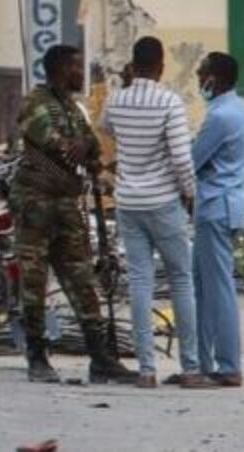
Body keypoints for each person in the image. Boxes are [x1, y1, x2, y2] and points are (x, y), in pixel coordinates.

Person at [12, 44, 137, 385]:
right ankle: (37, 356)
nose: (79, 72)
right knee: (34, 281)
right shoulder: (35, 102)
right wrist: (76, 148)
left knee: (82, 279)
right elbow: (56, 144)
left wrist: (85, 151)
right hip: (36, 203)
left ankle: (101, 358)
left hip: (67, 203)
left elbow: (91, 148)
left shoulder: (72, 107)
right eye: (74, 66)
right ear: (59, 68)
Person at [100, 37, 204, 389]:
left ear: (133, 64)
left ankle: (146, 369)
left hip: (128, 202)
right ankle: (190, 366)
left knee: (140, 283)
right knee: (181, 280)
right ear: (160, 66)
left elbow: (106, 128)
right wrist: (190, 193)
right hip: (164, 203)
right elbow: (180, 156)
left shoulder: (117, 100)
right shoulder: (169, 102)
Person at [190, 51, 244, 387]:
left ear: (217, 78)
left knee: (219, 288)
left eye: (202, 74)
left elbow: (194, 159)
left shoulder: (221, 115)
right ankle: (201, 360)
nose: (199, 80)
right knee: (202, 285)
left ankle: (228, 365)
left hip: (216, 205)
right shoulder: (235, 109)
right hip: (218, 205)